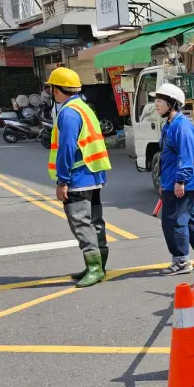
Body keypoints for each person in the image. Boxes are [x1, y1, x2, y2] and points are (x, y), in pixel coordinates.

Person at [46, 67, 112, 288]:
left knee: (81, 224)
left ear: (57, 89)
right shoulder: (83, 107)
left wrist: (62, 180)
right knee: (95, 222)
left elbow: (66, 148)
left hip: (78, 177)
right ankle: (98, 265)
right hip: (94, 174)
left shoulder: (68, 113)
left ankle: (94, 268)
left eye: (51, 88)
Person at [155, 83, 194, 276]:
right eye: (156, 101)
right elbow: (167, 157)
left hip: (181, 183)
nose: (156, 104)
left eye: (160, 101)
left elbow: (186, 156)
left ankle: (180, 261)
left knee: (174, 222)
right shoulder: (170, 124)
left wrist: (180, 181)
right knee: (191, 220)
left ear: (172, 103)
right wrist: (164, 183)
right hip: (172, 182)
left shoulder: (182, 126)